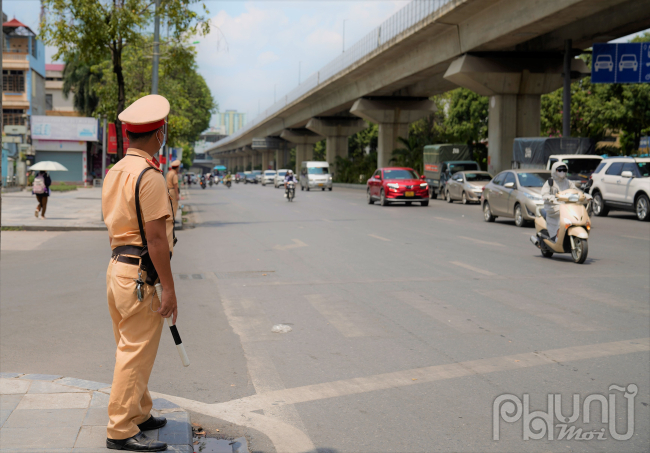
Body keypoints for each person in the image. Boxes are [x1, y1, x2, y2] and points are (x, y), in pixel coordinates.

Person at [102, 94, 177, 452]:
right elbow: (157, 239)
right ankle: (119, 428)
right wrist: (169, 289)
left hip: (117, 270)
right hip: (140, 276)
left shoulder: (115, 171)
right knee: (135, 350)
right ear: (159, 133)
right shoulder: (150, 176)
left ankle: (140, 412)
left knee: (131, 346)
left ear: (129, 133)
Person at [541, 161, 580, 241]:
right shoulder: (550, 182)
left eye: (564, 170)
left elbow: (576, 191)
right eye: (559, 170)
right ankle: (555, 238)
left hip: (566, 207)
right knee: (559, 220)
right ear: (555, 171)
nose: (562, 172)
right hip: (553, 207)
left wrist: (584, 195)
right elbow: (544, 193)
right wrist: (551, 198)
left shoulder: (568, 182)